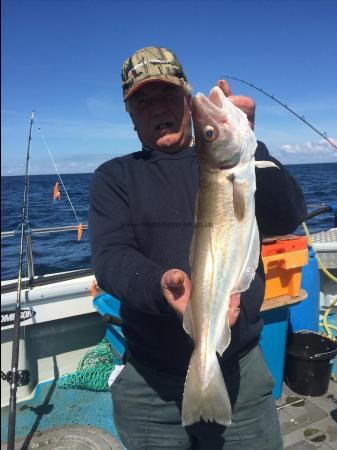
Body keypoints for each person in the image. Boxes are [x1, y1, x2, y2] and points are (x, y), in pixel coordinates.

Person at [89, 47, 307, 450]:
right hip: (150, 385)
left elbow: (286, 216)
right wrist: (160, 284)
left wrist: (250, 142)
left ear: (188, 102)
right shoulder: (114, 177)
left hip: (240, 372)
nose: (157, 109)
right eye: (142, 101)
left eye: (167, 95)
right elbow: (110, 258)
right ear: (130, 114)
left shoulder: (236, 165)